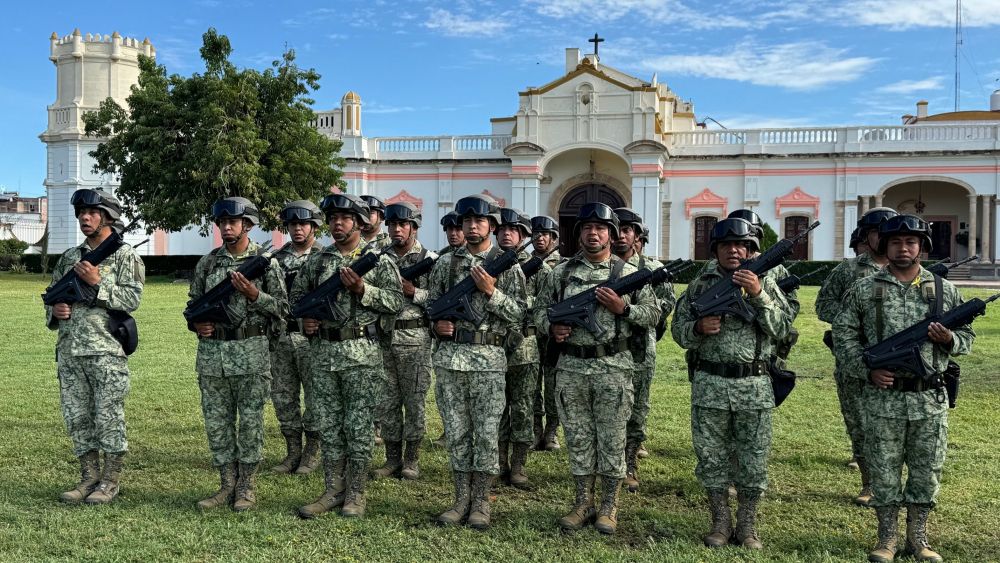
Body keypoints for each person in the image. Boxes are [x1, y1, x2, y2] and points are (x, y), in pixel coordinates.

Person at [833, 214, 974, 563]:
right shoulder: (865, 290)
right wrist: (868, 371)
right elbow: (844, 337)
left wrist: (950, 339)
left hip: (929, 399)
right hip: (883, 399)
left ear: (922, 248)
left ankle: (918, 538)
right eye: (896, 242)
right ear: (885, 246)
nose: (904, 247)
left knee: (926, 470)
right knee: (883, 469)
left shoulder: (943, 290)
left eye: (911, 242)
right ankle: (886, 539)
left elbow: (967, 339)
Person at [535, 202, 660, 535]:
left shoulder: (629, 274)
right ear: (579, 234)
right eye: (587, 228)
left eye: (601, 228)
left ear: (612, 234)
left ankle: (609, 506)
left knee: (612, 440)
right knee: (578, 440)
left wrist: (624, 309)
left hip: (613, 369)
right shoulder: (559, 273)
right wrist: (552, 328)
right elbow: (538, 312)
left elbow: (653, 315)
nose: (594, 233)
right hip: (572, 368)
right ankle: (582, 503)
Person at [671, 217, 793, 549]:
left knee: (753, 458)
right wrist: (697, 329)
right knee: (711, 457)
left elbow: (784, 329)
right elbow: (678, 330)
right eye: (727, 245)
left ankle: (748, 524)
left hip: (753, 385)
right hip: (710, 384)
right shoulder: (700, 285)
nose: (735, 250)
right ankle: (720, 522)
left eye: (743, 245)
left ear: (753, 251)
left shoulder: (766, 284)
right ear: (716, 250)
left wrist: (757, 295)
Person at [293, 193, 403, 519]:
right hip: (324, 354)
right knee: (329, 426)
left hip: (361, 356)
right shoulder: (317, 260)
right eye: (332, 219)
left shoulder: (378, 260)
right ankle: (332, 490)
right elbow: (296, 300)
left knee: (357, 427)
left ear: (358, 222)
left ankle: (355, 493)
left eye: (343, 218)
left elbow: (396, 302)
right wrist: (305, 321)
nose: (336, 224)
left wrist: (363, 290)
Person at [427, 194, 526, 530]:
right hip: (451, 361)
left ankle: (481, 501)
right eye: (466, 221)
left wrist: (491, 291)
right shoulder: (445, 264)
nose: (471, 226)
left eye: (479, 221)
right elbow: (432, 307)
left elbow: (520, 315)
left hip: (488, 363)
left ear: (491, 226)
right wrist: (438, 326)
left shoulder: (507, 265)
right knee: (457, 432)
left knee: (485, 434)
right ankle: (459, 499)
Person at [45, 188, 144, 505]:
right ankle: (88, 479)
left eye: (92, 213)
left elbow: (132, 300)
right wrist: (55, 312)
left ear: (107, 216)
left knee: (108, 418)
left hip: (106, 353)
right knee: (78, 419)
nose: (84, 218)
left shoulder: (126, 256)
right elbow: (51, 298)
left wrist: (98, 282)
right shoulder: (70, 258)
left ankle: (110, 482)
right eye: (81, 214)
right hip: (71, 352)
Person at [189, 197, 288, 512]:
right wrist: (198, 324)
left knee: (250, 423)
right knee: (217, 423)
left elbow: (284, 310)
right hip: (213, 356)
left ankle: (246, 486)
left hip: (251, 356)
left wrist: (254, 294)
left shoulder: (266, 263)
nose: (226, 227)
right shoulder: (208, 263)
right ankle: (225, 485)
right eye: (222, 222)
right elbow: (193, 306)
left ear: (247, 224)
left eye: (233, 221)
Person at [816, 207, 898, 505]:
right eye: (879, 233)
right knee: (860, 423)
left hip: (897, 362)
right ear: (868, 236)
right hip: (855, 360)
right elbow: (823, 305)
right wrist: (854, 319)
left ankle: (893, 482)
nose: (886, 239)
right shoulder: (849, 271)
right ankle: (869, 483)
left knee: (893, 424)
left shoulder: (909, 272)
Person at [612, 208, 674, 493]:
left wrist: (628, 311)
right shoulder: (603, 266)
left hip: (640, 349)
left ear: (637, 236)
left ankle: (629, 463)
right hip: (609, 351)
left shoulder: (653, 269)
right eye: (617, 229)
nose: (621, 235)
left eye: (627, 230)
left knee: (637, 408)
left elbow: (663, 309)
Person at [373, 202, 437, 481]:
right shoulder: (378, 258)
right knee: (386, 402)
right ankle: (391, 459)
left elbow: (440, 300)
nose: (396, 230)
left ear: (414, 226)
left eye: (402, 225)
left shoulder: (430, 259)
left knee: (414, 402)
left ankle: (411, 460)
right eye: (392, 225)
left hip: (415, 341)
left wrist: (414, 293)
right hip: (384, 339)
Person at [269, 200, 325, 475]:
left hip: (311, 339)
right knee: (283, 396)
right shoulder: (276, 260)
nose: (298, 229)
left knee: (315, 396)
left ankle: (312, 453)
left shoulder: (324, 257)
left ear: (314, 226)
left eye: (303, 224)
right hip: (282, 338)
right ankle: (292, 452)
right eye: (293, 224)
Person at [495, 207, 539, 489]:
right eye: (503, 229)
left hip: (524, 347)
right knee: (497, 408)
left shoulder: (540, 267)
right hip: (495, 347)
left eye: (514, 230)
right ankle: (499, 461)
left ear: (524, 236)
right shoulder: (488, 263)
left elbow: (544, 306)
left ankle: (519, 464)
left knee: (522, 407)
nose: (507, 233)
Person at [529, 215, 561, 451]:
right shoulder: (523, 265)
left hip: (552, 335)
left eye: (545, 234)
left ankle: (551, 432)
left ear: (553, 238)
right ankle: (535, 429)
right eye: (536, 234)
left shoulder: (562, 267)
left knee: (552, 386)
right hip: (530, 333)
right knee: (531, 385)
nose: (540, 238)